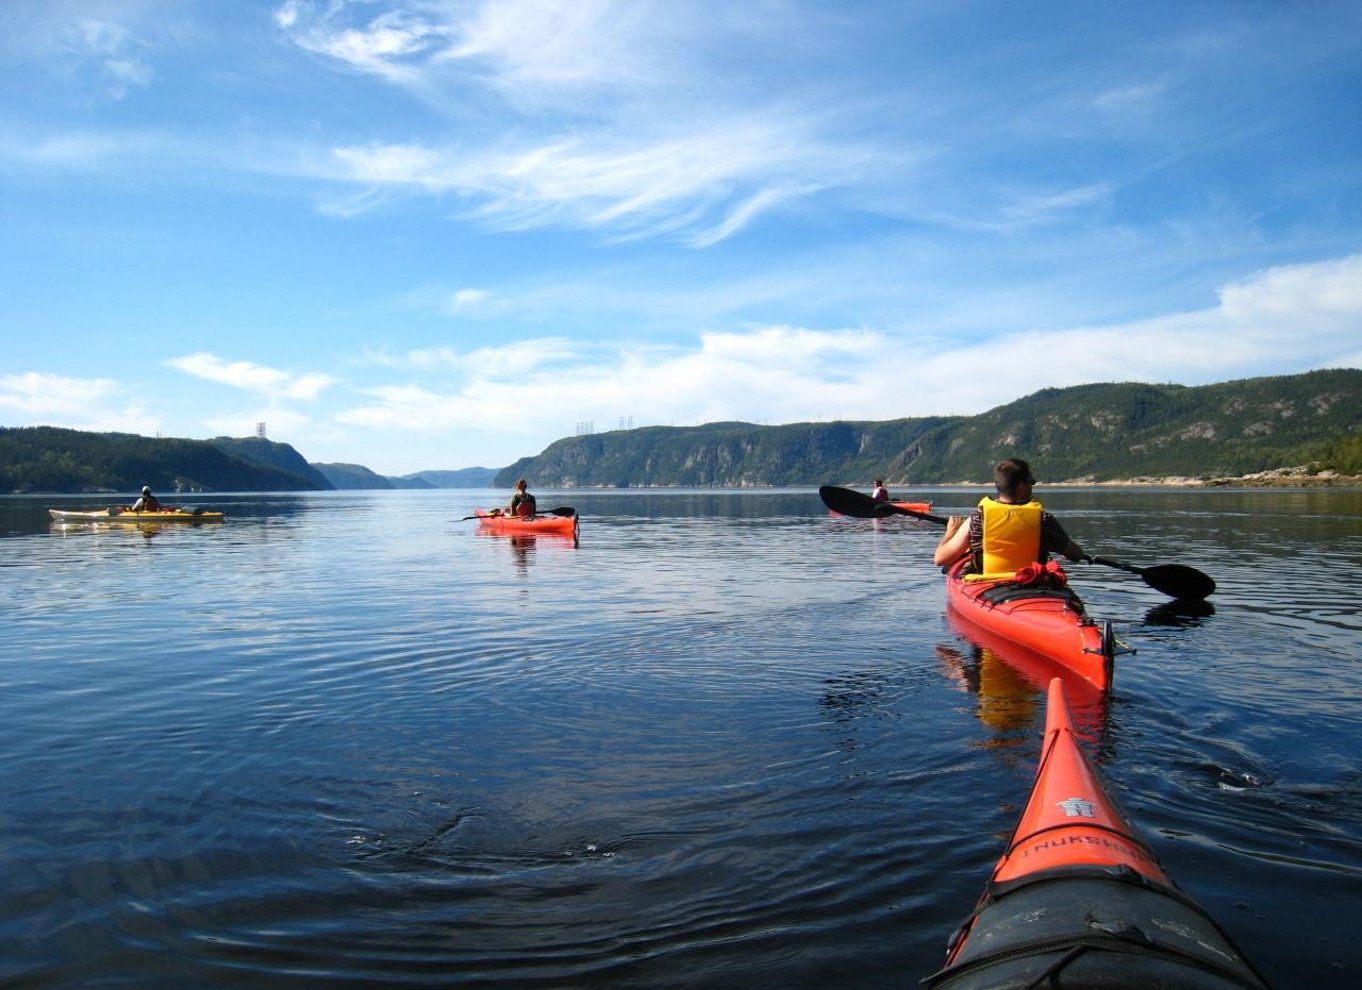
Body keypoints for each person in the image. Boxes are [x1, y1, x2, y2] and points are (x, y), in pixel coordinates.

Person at [933, 458, 1084, 579]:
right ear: (1020, 487)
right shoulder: (1043, 519)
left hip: (988, 583)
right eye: (1030, 482)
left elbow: (940, 559)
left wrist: (950, 532)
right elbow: (1075, 555)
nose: (1032, 487)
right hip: (1033, 583)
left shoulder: (977, 519)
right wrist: (1051, 542)